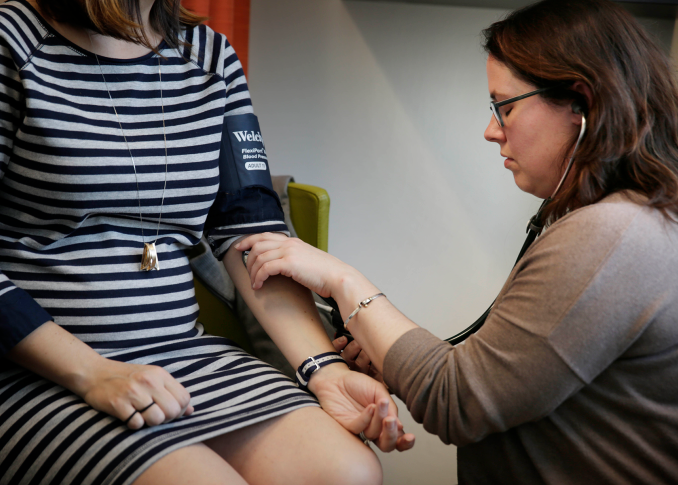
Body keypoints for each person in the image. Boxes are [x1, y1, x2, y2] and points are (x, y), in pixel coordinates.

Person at [0, 1, 415, 484]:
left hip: (180, 357)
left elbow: (251, 234)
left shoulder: (212, 58)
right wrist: (94, 373)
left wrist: (323, 370)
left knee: (347, 472)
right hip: (25, 372)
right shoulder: (1, 42)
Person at [236, 0, 678, 483]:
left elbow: (459, 402)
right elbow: (497, 377)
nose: (492, 131)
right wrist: (393, 358)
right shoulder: (639, 222)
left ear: (581, 104)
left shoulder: (610, 237)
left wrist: (343, 280)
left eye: (504, 107)